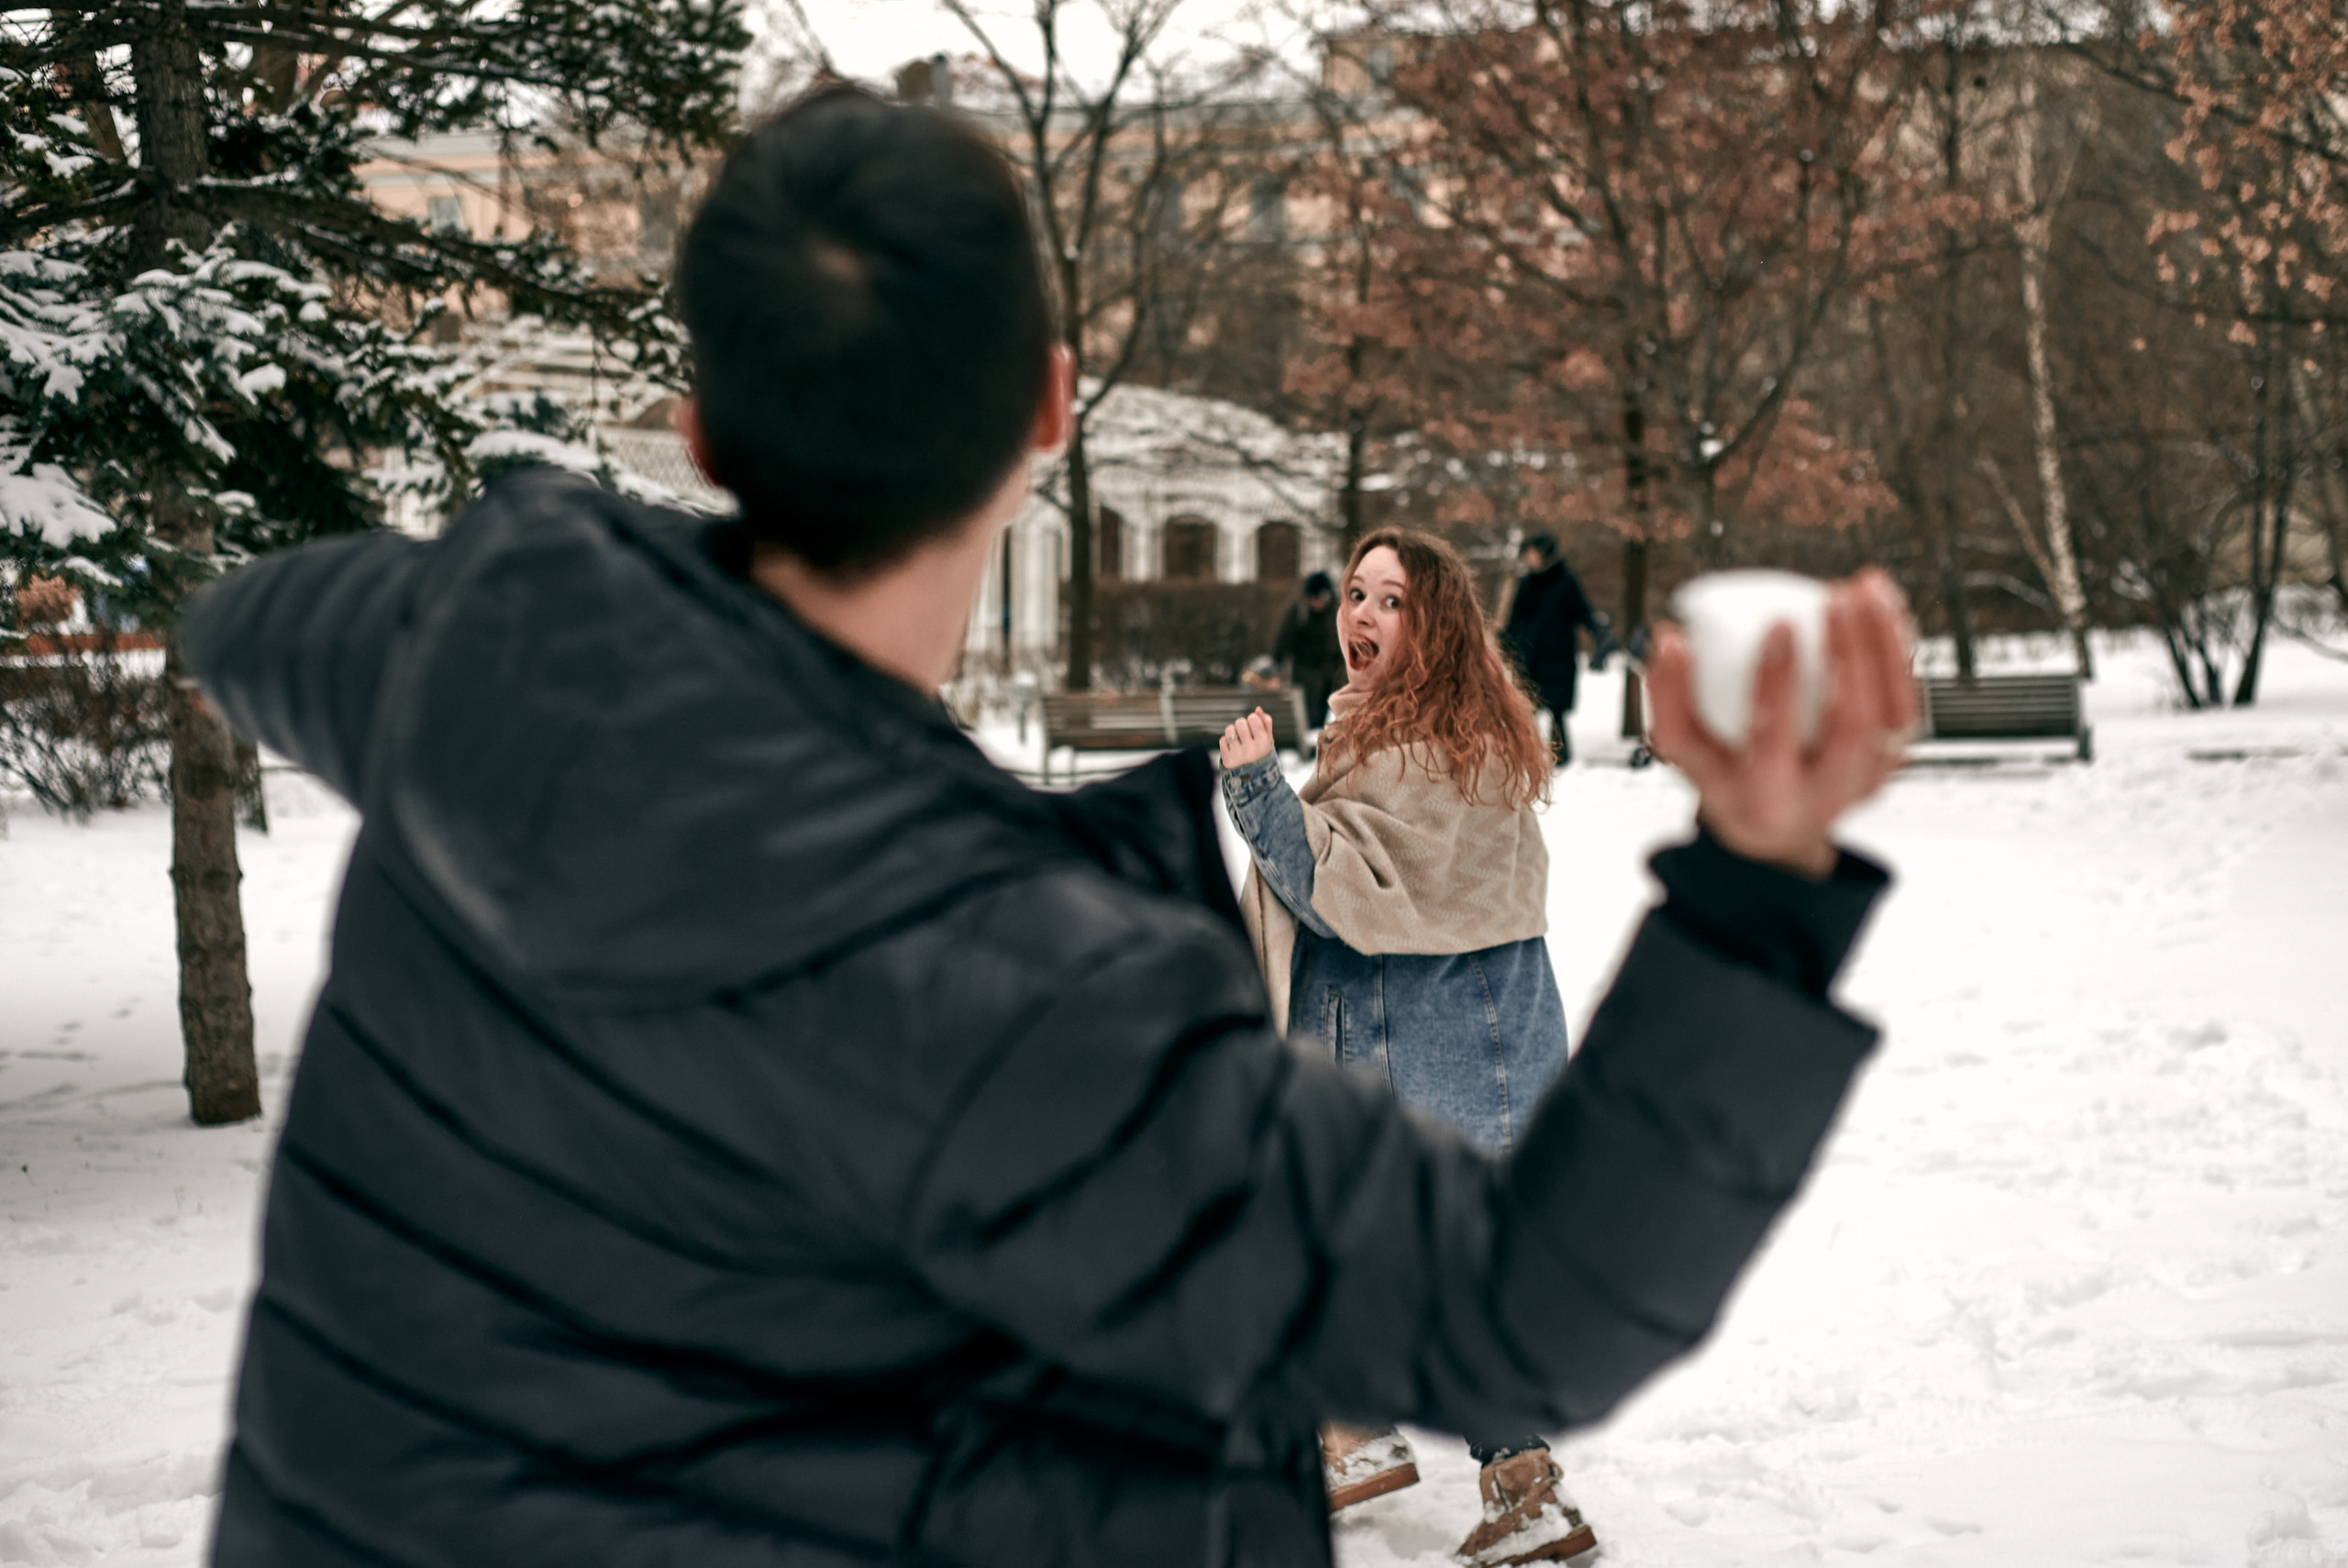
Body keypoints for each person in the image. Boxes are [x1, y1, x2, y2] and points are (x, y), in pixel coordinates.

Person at [183, 85, 1917, 1568]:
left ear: (700, 427)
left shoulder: (459, 649)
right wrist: (1761, 885)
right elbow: (1520, 1308)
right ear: (1049, 409)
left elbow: (249, 619)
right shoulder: (1026, 996)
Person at [1215, 528, 1583, 1562]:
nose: (1361, 616)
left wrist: (1256, 790)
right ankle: (1364, 1435)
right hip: (1482, 1046)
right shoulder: (1466, 737)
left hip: (1407, 1049)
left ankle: (1497, 1478)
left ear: (1437, 627)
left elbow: (1340, 896)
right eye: (1356, 594)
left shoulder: (1417, 753)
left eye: (1392, 601)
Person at [1501, 534, 1598, 766]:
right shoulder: (1527, 583)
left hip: (1558, 657)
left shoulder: (1565, 582)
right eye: (1528, 554)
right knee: (1526, 708)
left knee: (1556, 711)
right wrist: (1506, 644)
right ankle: (1526, 754)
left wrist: (1599, 632)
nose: (1529, 558)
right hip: (1529, 656)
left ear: (1545, 555)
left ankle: (1560, 756)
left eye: (1533, 553)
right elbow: (1515, 619)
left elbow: (1583, 612)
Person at [1272, 570, 1346, 729]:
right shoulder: (1299, 612)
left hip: (1327, 674)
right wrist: (1277, 668)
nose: (1318, 603)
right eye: (1315, 599)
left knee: (1321, 714)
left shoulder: (1335, 613)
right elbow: (1283, 641)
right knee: (1306, 715)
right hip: (1304, 673)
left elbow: (1341, 643)